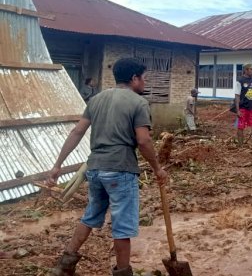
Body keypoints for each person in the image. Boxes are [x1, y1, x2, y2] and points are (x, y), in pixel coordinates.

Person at [46, 58, 168, 276]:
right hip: (120, 170)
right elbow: (144, 141)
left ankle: (65, 264)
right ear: (134, 79)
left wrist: (57, 165)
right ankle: (123, 272)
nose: (145, 82)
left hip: (94, 169)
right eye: (144, 78)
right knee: (122, 226)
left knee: (91, 216)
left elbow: (77, 132)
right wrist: (157, 168)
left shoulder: (97, 99)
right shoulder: (138, 103)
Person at [234, 64, 252, 149]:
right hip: (243, 108)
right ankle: (240, 145)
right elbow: (237, 96)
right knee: (240, 126)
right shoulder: (240, 81)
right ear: (246, 70)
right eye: (251, 69)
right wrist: (238, 110)